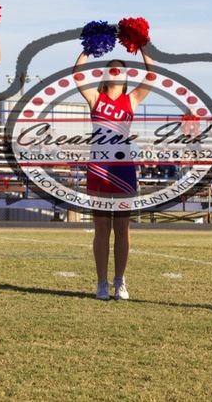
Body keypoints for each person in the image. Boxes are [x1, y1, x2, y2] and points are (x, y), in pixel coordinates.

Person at [74, 46, 154, 301]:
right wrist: (88, 48)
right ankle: (101, 283)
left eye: (121, 68)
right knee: (101, 227)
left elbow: (152, 74)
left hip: (123, 169)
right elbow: (77, 75)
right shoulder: (95, 99)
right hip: (98, 168)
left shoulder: (131, 99)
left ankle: (120, 281)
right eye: (112, 67)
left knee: (122, 227)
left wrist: (143, 46)